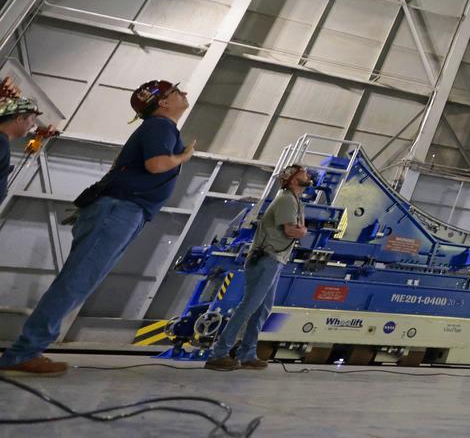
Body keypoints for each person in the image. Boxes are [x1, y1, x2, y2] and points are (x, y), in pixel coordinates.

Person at [0, 79, 194, 376]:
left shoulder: (155, 128)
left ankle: (27, 349)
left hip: (117, 208)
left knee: (79, 280)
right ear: (163, 103)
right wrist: (184, 156)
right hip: (121, 209)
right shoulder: (160, 126)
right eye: (177, 92)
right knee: (76, 281)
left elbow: (119, 164)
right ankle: (23, 352)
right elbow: (156, 165)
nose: (184, 94)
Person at [204, 164, 311, 371]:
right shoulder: (287, 199)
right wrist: (302, 231)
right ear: (292, 179)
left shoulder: (297, 202)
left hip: (276, 259)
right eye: (303, 173)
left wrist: (301, 230)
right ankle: (219, 353)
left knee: (262, 309)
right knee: (249, 306)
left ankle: (247, 353)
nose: (308, 175)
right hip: (266, 258)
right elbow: (291, 231)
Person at [1, 89, 58, 200]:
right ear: (19, 119)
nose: (33, 125)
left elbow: (30, 150)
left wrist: (39, 138)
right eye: (32, 119)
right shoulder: (1, 142)